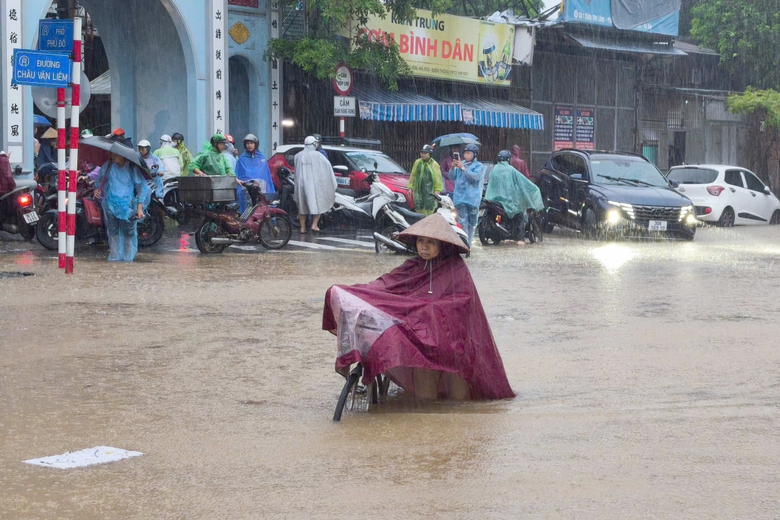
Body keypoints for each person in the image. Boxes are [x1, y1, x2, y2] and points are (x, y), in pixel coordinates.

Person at [322, 213, 515, 401]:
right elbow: (385, 286)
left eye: (430, 242)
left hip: (455, 347)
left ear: (442, 244)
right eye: (421, 241)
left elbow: (462, 307)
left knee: (460, 401)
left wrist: (427, 310)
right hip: (421, 344)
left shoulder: (456, 269)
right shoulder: (411, 267)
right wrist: (351, 294)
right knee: (425, 398)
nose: (424, 246)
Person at [92, 152, 151, 262]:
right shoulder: (108, 165)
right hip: (110, 205)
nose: (113, 156)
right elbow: (99, 180)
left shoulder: (132, 168)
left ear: (123, 155)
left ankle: (128, 260)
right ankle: (114, 258)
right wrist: (97, 190)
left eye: (116, 154)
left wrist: (139, 208)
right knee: (113, 232)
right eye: (112, 154)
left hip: (128, 207)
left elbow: (141, 189)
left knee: (128, 234)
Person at [484, 150, 544, 238]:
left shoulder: (494, 169)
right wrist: (534, 188)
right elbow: (523, 180)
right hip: (507, 200)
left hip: (492, 199)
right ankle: (520, 239)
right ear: (508, 159)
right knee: (519, 214)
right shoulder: (511, 169)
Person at [293, 135, 336, 234]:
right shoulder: (318, 155)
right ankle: (314, 224)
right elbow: (327, 168)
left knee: (302, 207)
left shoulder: (297, 156)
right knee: (319, 204)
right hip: (314, 185)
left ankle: (303, 228)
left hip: (300, 185)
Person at [450, 143, 485, 247]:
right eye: (465, 153)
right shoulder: (461, 164)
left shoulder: (479, 166)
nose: (466, 155)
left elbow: (474, 178)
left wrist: (463, 168)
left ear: (474, 154)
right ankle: (464, 245)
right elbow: (452, 177)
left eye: (469, 153)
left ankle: (468, 244)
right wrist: (452, 168)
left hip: (472, 199)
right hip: (460, 199)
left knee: (472, 223)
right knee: (462, 222)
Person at [235, 133, 275, 213]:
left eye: (251, 143)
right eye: (247, 143)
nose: (249, 145)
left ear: (255, 144)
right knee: (247, 210)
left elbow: (266, 177)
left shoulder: (262, 158)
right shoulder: (242, 159)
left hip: (261, 189)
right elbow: (238, 174)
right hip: (246, 190)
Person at [408, 144, 443, 216]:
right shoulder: (417, 162)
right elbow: (413, 175)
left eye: (425, 153)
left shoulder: (434, 164)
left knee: (428, 209)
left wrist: (437, 190)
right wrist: (410, 187)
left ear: (429, 154)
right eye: (422, 152)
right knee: (418, 209)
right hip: (418, 193)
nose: (423, 155)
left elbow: (438, 178)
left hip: (430, 193)